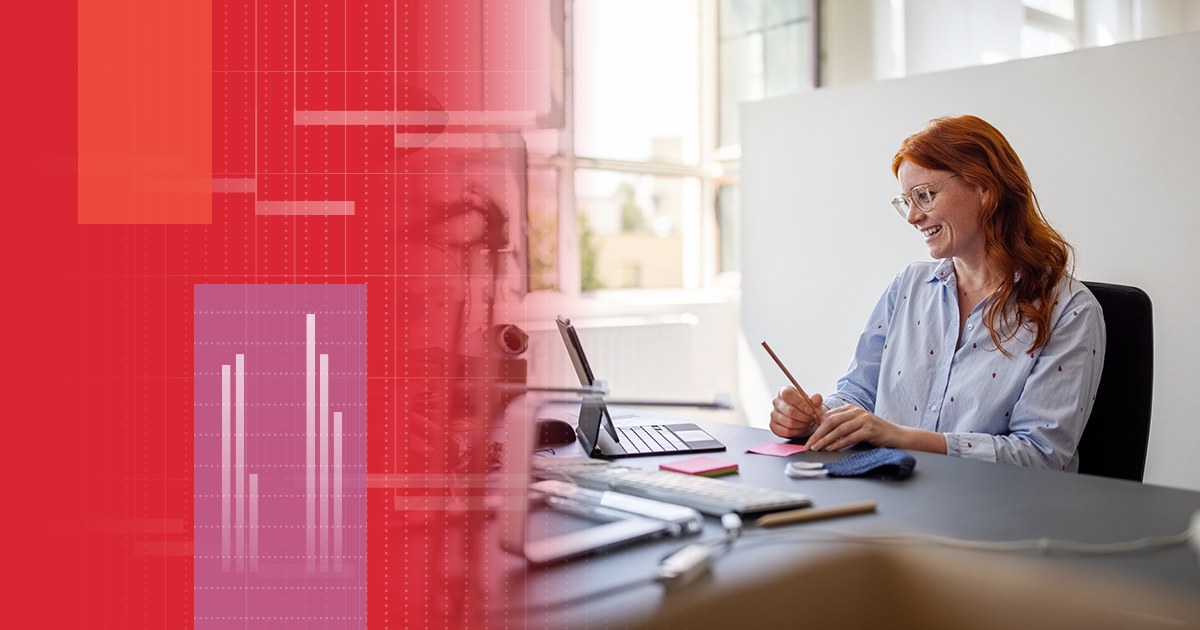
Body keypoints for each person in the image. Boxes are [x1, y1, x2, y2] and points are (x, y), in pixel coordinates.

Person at [769, 115, 1106, 472]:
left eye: (924, 195)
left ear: (985, 188)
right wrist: (815, 417)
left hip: (994, 516)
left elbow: (1040, 456)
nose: (913, 217)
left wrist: (900, 437)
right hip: (892, 494)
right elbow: (859, 395)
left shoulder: (1069, 310)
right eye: (906, 201)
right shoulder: (907, 286)